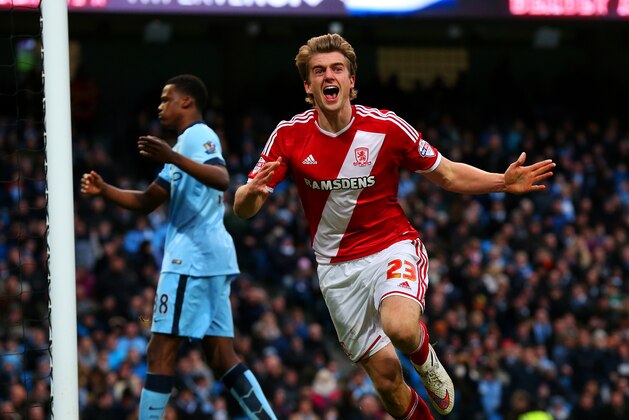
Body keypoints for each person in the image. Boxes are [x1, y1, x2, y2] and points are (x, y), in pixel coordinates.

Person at [233, 34, 555, 419]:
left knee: (401, 327)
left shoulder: (386, 128)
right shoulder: (289, 135)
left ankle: (426, 361)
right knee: (386, 380)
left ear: (352, 81)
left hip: (392, 247)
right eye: (318, 71)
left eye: (337, 69)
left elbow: (448, 174)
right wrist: (251, 193)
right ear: (308, 86)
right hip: (337, 270)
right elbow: (244, 207)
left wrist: (503, 181)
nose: (328, 76)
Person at [81, 74, 276, 420]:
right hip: (212, 259)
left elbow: (221, 178)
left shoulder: (198, 136)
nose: (159, 106)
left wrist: (171, 155)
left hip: (192, 259)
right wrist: (105, 189)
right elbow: (145, 201)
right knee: (221, 357)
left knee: (160, 350)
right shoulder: (184, 148)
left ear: (186, 102)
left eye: (165, 98)